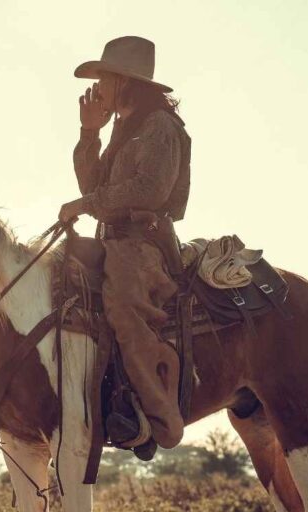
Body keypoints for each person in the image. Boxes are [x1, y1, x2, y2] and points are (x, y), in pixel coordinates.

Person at [57, 36, 192, 454]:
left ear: (125, 82)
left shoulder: (161, 127)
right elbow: (93, 186)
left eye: (104, 79)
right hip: (112, 241)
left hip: (141, 246)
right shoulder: (121, 129)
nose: (97, 88)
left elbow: (150, 190)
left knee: (124, 309)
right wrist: (89, 133)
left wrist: (86, 205)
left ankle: (156, 419)